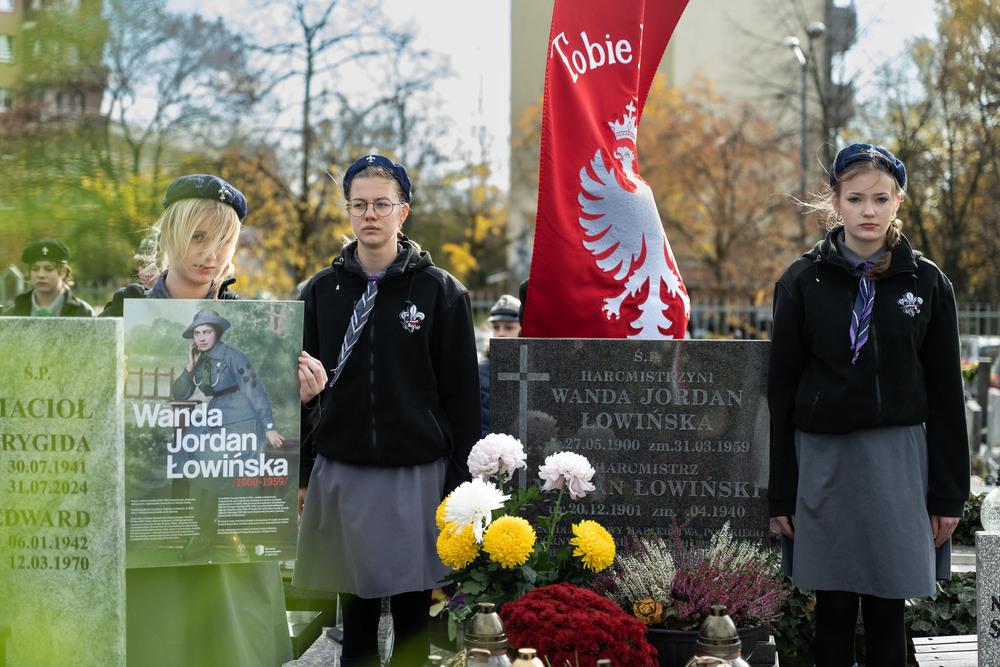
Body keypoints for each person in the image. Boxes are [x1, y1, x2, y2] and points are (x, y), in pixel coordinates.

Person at [101, 174, 328, 667]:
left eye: (223, 240)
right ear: (170, 236)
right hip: (150, 529)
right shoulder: (124, 310)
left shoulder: (254, 321)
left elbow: (279, 435)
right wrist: (104, 380)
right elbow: (87, 422)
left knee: (235, 648)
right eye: (198, 237)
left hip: (234, 535)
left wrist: (307, 400)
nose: (211, 253)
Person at [768, 144, 969, 666]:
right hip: (823, 460)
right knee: (832, 607)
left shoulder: (926, 282)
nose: (869, 211)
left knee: (887, 609)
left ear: (898, 200)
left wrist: (949, 495)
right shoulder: (801, 281)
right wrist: (782, 492)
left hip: (896, 461)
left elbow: (948, 395)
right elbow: (782, 393)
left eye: (881, 198)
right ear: (835, 202)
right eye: (855, 198)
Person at [295, 154, 481, 667]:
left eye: (382, 204)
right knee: (353, 609)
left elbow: (462, 397)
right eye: (359, 204)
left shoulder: (441, 291)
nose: (369, 214)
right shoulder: (318, 293)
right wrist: (304, 472)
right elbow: (300, 396)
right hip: (345, 468)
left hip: (414, 471)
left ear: (404, 212)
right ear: (348, 211)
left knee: (412, 608)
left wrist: (460, 483)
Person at [170, 308, 286, 560]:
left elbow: (254, 390)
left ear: (217, 332)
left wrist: (268, 427)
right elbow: (179, 395)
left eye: (207, 332)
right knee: (181, 449)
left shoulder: (233, 356)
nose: (201, 338)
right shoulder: (199, 359)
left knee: (213, 458)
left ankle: (203, 533)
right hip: (218, 413)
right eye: (198, 333)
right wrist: (190, 368)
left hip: (241, 416)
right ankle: (183, 524)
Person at [6, 239, 95, 316]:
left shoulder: (83, 312)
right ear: (29, 272)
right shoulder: (12, 313)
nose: (41, 275)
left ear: (63, 272)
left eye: (48, 269)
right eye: (35, 269)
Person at [478, 293, 521, 436]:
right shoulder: (481, 370)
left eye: (509, 328)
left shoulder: (534, 369)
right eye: (496, 328)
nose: (500, 334)